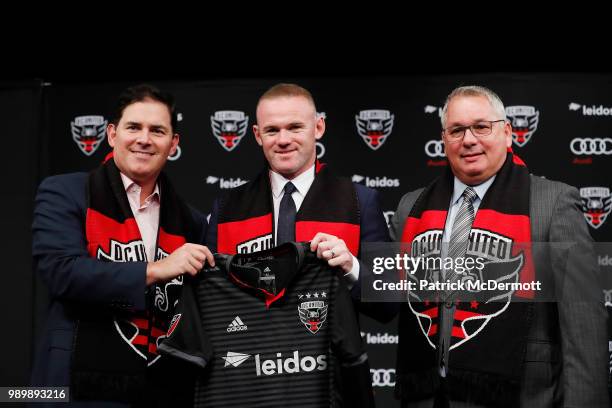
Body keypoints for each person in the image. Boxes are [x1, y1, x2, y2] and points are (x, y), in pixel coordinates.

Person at [388, 85, 609, 407]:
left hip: (523, 396)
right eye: (457, 130)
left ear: (507, 133)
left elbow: (583, 323)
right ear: (443, 139)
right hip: (430, 398)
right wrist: (352, 269)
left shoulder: (554, 203)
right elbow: (390, 295)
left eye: (481, 126)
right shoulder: (412, 208)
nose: (468, 140)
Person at [30, 84, 214, 406]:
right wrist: (157, 269)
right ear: (113, 134)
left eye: (157, 130)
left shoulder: (192, 222)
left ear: (173, 144)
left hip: (162, 387)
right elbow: (61, 272)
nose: (144, 139)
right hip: (75, 387)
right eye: (134, 127)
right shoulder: (65, 192)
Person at [205, 83, 389, 305]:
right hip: (250, 339)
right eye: (272, 130)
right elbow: (209, 300)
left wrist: (351, 266)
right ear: (257, 135)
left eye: (295, 127)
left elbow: (388, 304)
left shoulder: (362, 201)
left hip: (332, 340)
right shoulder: (227, 207)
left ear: (318, 127)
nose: (283, 140)